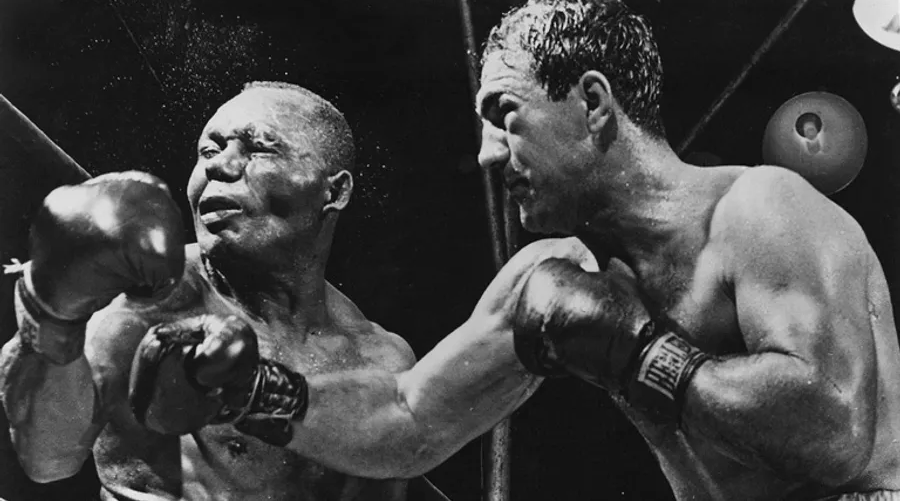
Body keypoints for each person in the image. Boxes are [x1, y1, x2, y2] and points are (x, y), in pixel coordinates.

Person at [0, 80, 597, 501]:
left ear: (333, 192)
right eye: (208, 149)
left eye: (257, 147)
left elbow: (405, 441)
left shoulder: (378, 358)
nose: (220, 166)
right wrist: (50, 316)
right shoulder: (157, 300)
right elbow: (47, 459)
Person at [475, 0, 900, 500]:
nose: (487, 154)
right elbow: (410, 416)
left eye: (505, 115)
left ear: (592, 102)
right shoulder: (586, 278)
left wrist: (646, 358)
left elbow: (835, 436)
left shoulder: (760, 208)